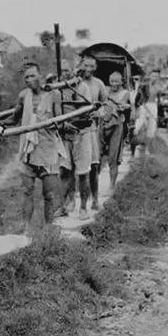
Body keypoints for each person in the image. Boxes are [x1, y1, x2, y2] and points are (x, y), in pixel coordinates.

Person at [3, 63, 65, 236]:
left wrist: (54, 124)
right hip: (28, 149)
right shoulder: (23, 96)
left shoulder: (54, 94)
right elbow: (14, 118)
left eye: (32, 75)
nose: (29, 80)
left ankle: (48, 228)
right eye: (26, 77)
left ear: (40, 75)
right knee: (27, 191)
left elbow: (60, 120)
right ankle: (26, 228)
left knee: (49, 194)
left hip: (48, 148)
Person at [54, 61, 94, 220]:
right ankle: (63, 206)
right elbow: (54, 112)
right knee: (64, 172)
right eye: (62, 71)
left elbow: (86, 112)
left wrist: (73, 122)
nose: (65, 74)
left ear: (73, 71)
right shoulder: (57, 89)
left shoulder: (82, 87)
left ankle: (83, 208)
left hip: (81, 135)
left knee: (83, 173)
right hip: (64, 136)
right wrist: (62, 124)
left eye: (67, 71)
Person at [79, 55, 108, 211]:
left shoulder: (98, 84)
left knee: (94, 165)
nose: (88, 69)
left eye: (91, 66)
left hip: (92, 129)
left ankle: (95, 199)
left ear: (95, 68)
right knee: (76, 169)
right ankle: (72, 202)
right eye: (86, 65)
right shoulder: (75, 83)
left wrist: (100, 113)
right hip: (76, 130)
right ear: (81, 65)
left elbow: (105, 105)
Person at [99, 72, 131, 188]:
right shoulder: (105, 90)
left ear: (121, 82)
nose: (114, 84)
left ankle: (112, 186)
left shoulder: (125, 93)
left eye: (117, 81)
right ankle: (95, 186)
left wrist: (123, 107)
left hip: (117, 126)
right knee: (97, 156)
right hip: (103, 124)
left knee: (113, 157)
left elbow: (123, 105)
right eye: (112, 81)